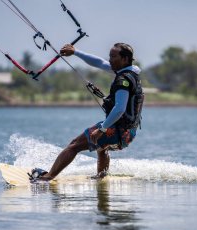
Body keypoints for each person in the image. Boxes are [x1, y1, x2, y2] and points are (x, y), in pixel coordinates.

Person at [29, 43, 144, 181]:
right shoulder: (132, 73)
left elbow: (119, 109)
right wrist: (75, 52)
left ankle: (48, 177)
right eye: (110, 56)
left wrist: (102, 129)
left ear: (125, 59)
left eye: (113, 57)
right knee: (102, 147)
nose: (110, 60)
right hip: (128, 134)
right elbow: (99, 63)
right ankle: (101, 178)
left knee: (74, 145)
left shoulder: (123, 80)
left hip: (117, 130)